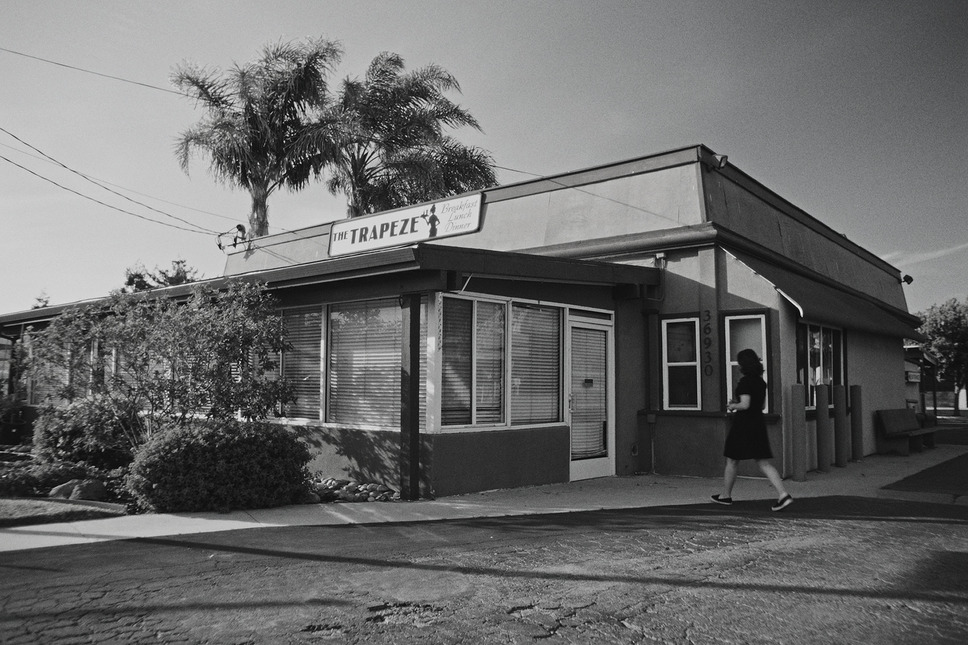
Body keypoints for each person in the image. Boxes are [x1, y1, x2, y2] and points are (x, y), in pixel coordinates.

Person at [711, 349, 794, 512]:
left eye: (739, 362)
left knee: (732, 459)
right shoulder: (761, 382)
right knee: (763, 462)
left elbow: (745, 405)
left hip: (743, 425)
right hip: (758, 423)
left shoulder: (745, 382)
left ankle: (726, 495)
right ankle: (783, 494)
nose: (738, 365)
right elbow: (762, 406)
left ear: (743, 364)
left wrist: (733, 405)